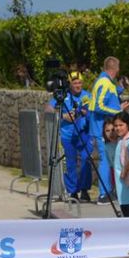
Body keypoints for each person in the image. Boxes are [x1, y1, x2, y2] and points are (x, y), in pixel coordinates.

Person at [88, 56, 129, 206]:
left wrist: (121, 88)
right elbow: (98, 106)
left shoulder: (107, 82)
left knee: (110, 159)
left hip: (105, 129)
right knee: (105, 160)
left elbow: (111, 95)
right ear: (115, 68)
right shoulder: (104, 82)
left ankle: (109, 191)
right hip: (101, 129)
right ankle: (103, 194)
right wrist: (118, 110)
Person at [45, 71, 93, 202]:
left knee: (86, 161)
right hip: (67, 136)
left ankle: (84, 191)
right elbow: (48, 109)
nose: (78, 85)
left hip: (83, 135)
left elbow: (93, 111)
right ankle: (73, 192)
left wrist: (85, 112)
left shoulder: (87, 95)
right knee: (70, 164)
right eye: (75, 83)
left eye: (80, 83)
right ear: (69, 84)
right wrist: (63, 116)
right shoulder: (63, 95)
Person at [112, 111, 129, 217]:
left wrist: (125, 170)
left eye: (121, 125)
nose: (118, 128)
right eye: (115, 126)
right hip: (125, 190)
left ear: (128, 125)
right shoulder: (123, 140)